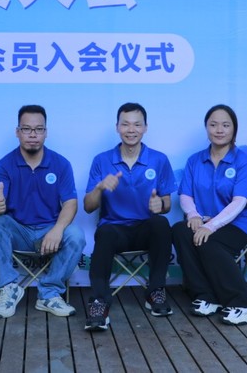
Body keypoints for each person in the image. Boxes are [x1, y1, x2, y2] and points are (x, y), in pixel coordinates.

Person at [0, 104, 86, 318]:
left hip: (50, 232)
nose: (33, 134)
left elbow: (70, 203)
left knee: (75, 234)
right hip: (19, 231)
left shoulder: (61, 164)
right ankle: (9, 288)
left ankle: (49, 294)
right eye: (27, 129)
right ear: (17, 132)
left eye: (38, 129)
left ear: (46, 132)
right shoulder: (3, 165)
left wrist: (58, 229)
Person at [82, 103, 177, 331]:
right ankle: (99, 302)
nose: (131, 130)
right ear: (117, 127)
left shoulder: (159, 159)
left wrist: (161, 204)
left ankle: (156, 291)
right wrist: (100, 188)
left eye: (137, 124)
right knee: (104, 232)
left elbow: (167, 203)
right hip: (115, 230)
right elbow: (88, 207)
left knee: (161, 223)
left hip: (145, 228)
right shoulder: (102, 160)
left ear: (145, 128)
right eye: (125, 124)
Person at [170, 104, 247, 326]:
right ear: (206, 128)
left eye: (225, 125)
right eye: (213, 125)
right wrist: (193, 215)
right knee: (180, 231)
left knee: (208, 242)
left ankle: (246, 303)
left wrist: (210, 226)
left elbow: (239, 202)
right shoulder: (195, 160)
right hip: (205, 220)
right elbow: (185, 194)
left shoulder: (243, 162)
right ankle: (206, 295)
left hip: (240, 224)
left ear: (234, 129)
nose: (219, 130)